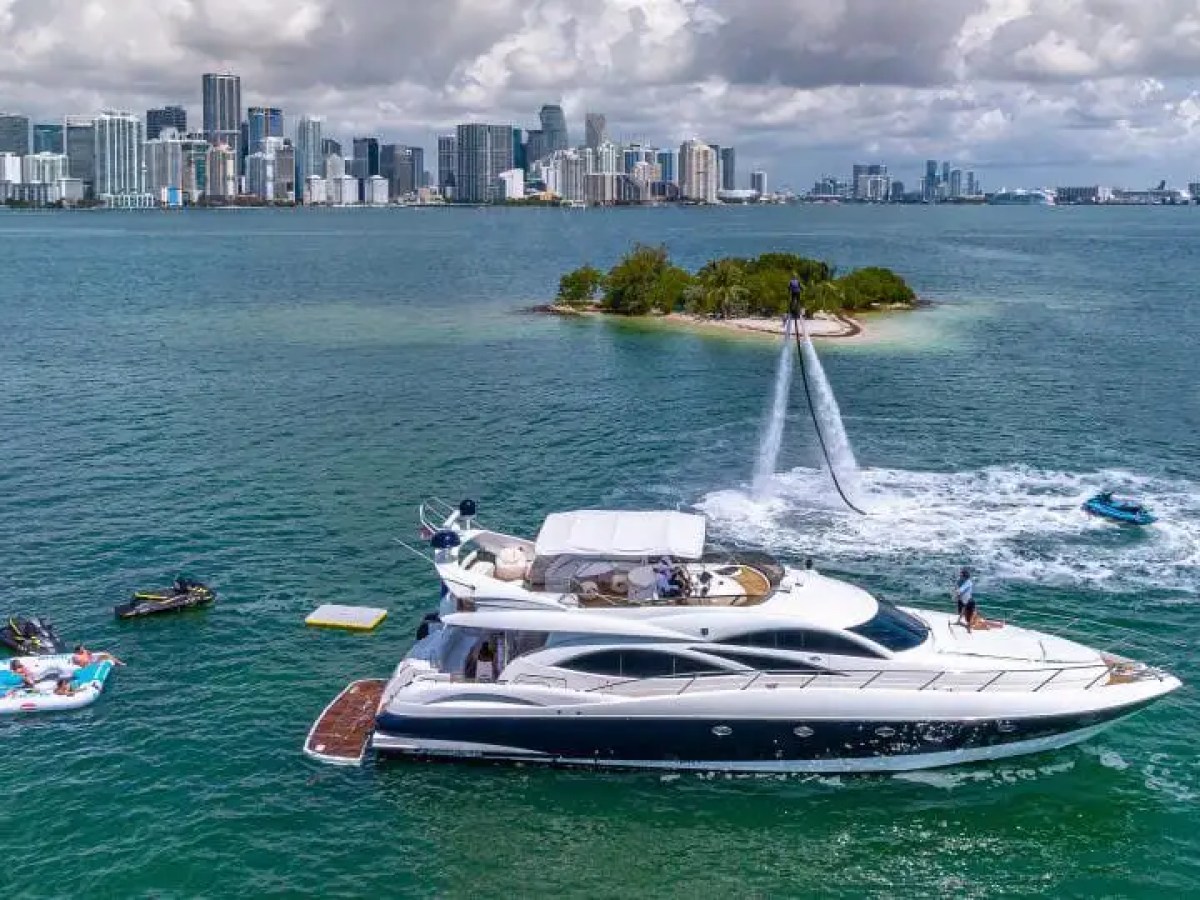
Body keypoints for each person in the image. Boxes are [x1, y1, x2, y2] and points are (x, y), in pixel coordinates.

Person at [954, 567, 977, 632]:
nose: (960, 576)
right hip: (962, 600)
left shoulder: (968, 582)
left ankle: (968, 627)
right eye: (960, 575)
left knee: (968, 615)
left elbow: (961, 590)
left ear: (965, 576)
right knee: (961, 611)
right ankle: (958, 621)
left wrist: (955, 595)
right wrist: (957, 594)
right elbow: (957, 587)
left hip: (969, 601)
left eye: (961, 575)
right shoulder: (960, 580)